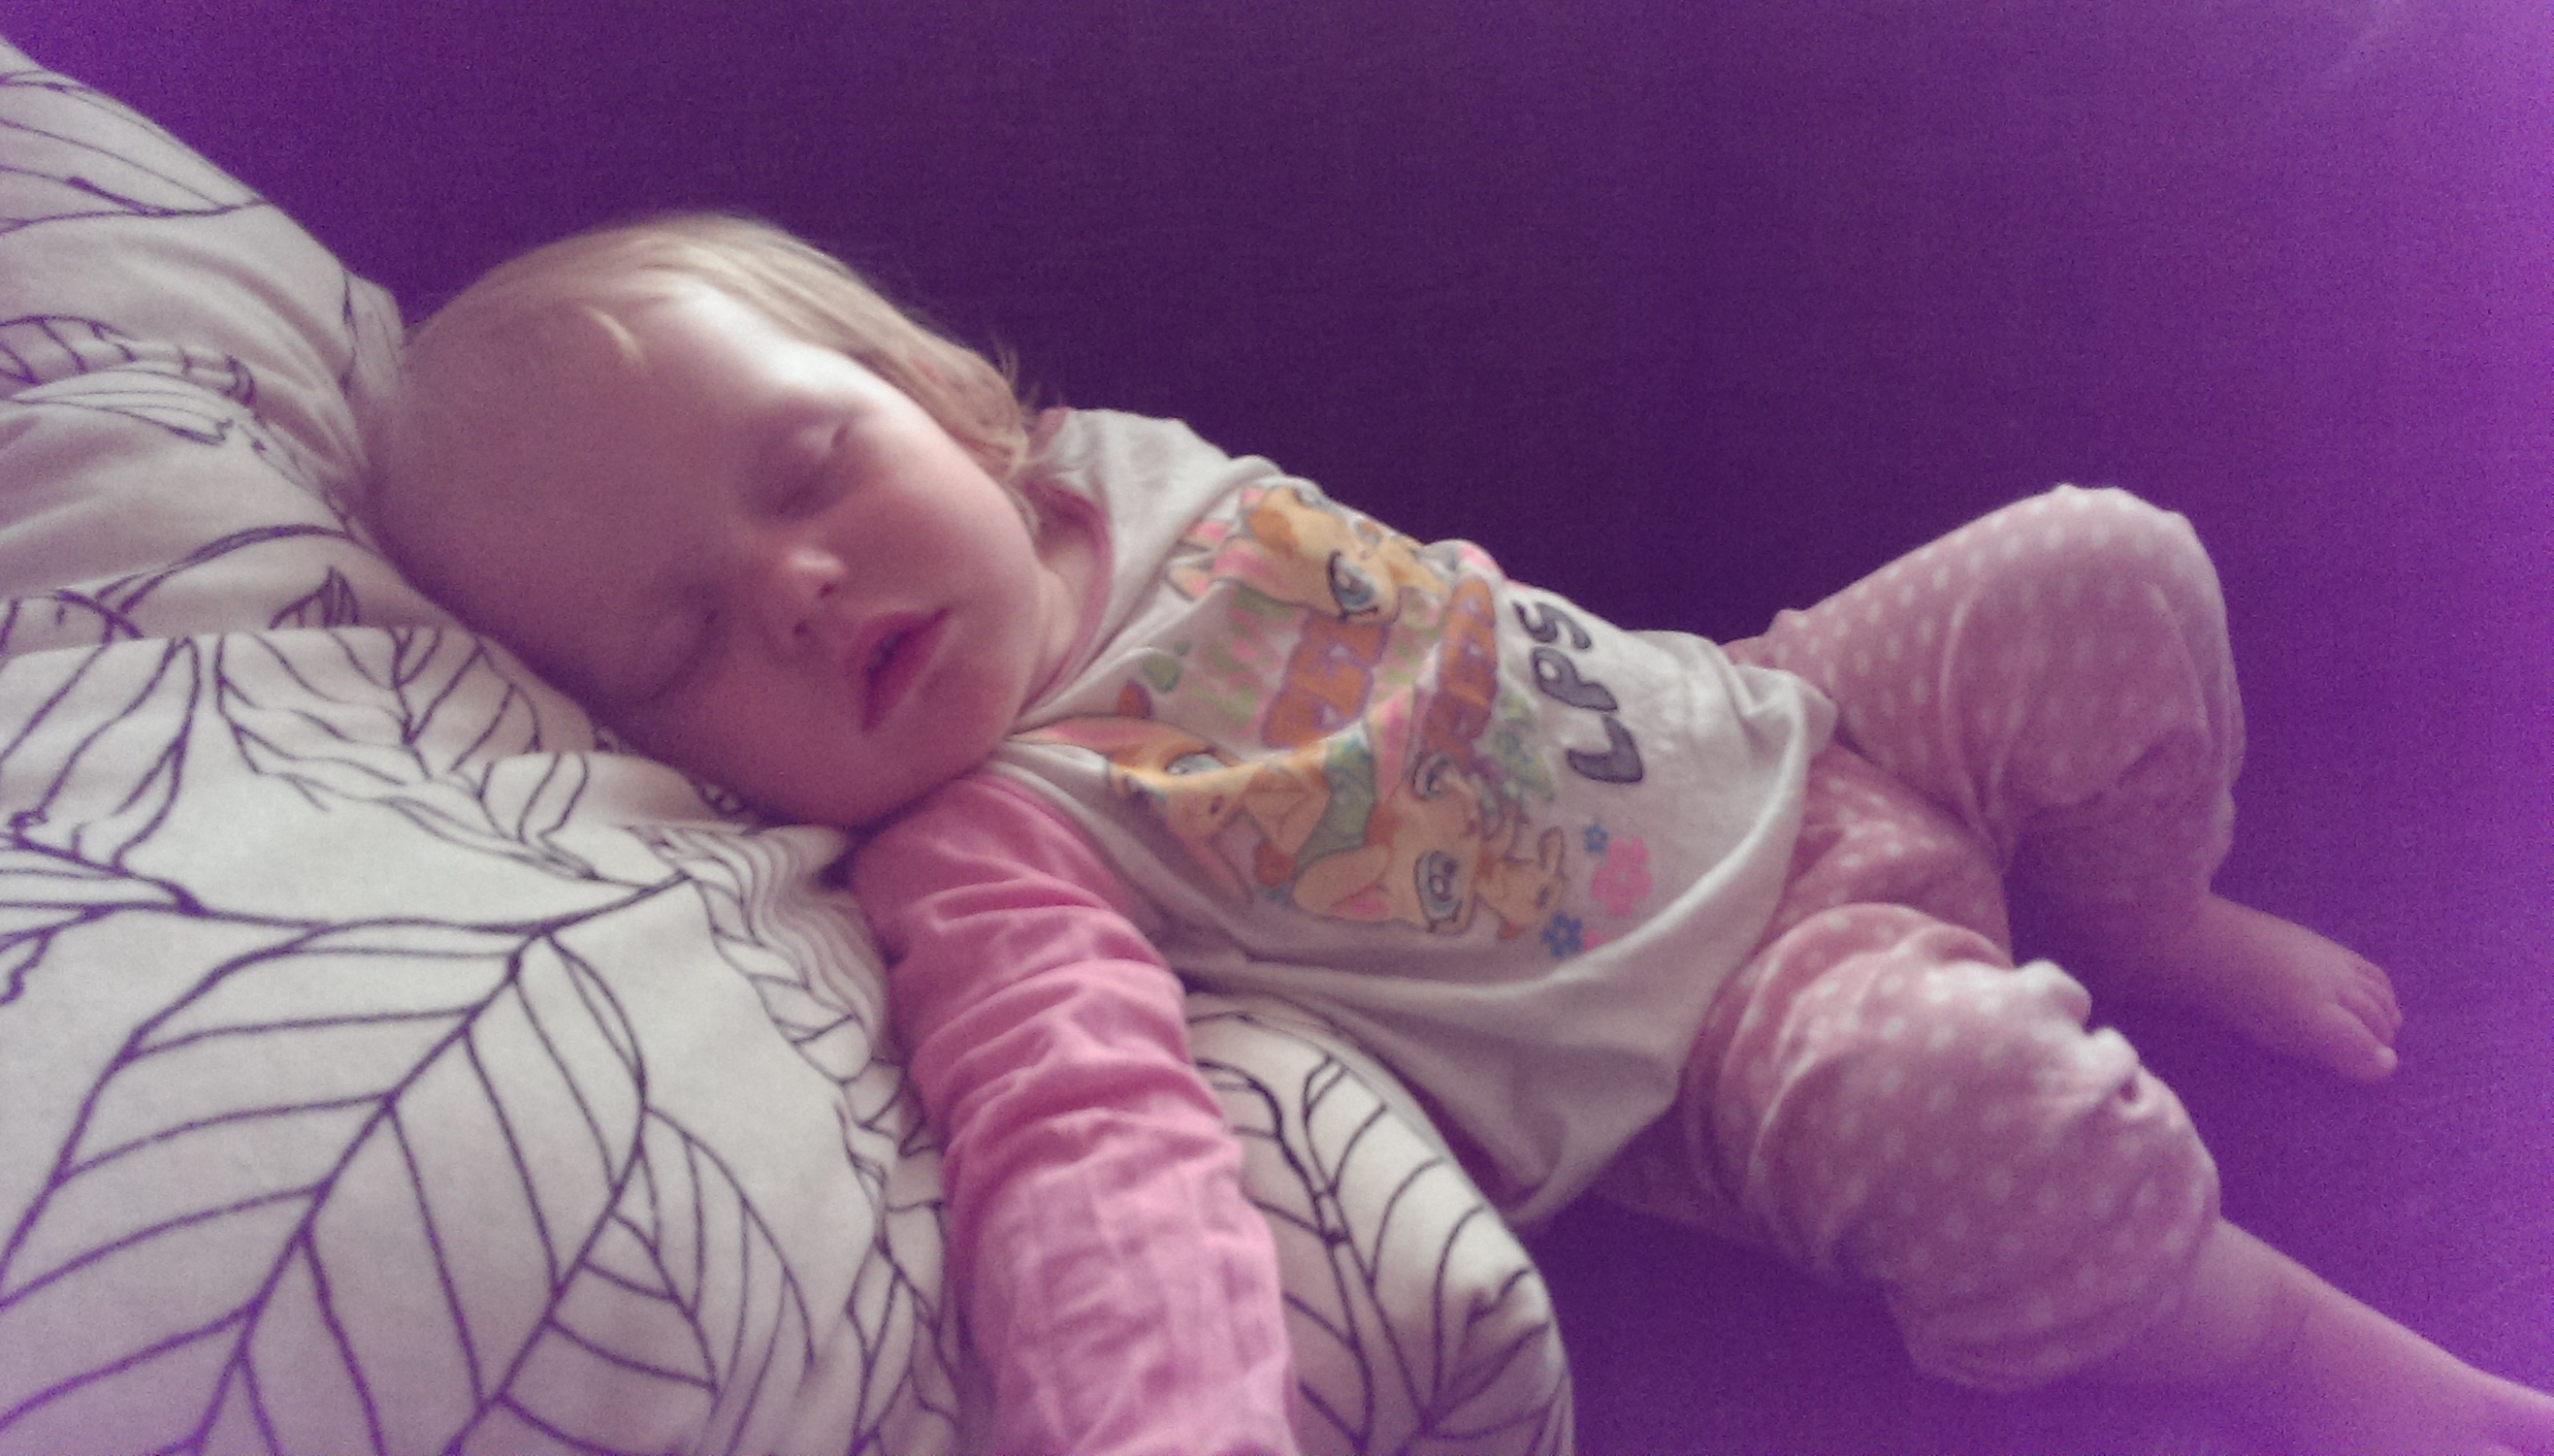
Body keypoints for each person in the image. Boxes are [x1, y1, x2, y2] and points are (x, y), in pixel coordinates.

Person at [366, 211, 2554, 1456]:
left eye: (806, 466)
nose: (795, 583)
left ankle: (2144, 911)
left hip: (1791, 705)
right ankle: (2294, 1353)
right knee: (1977, 1104)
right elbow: (1086, 1149)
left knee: (2109, 558)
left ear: (941, 399)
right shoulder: (988, 847)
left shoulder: (1109, 468)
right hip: (1728, 1022)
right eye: (683, 638)